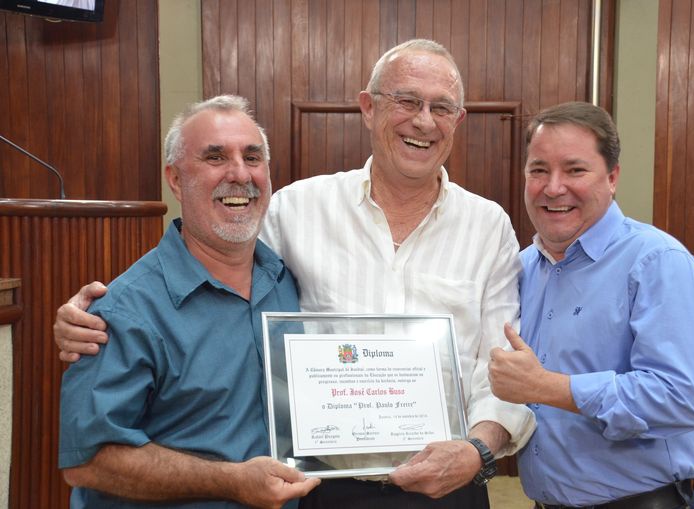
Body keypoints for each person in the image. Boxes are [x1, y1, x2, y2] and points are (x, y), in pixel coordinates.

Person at [54, 39, 535, 508]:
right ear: (368, 107)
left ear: (458, 120)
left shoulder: (488, 226)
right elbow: (212, 256)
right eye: (407, 100)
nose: (424, 121)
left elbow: (502, 368)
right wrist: (95, 315)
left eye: (441, 107)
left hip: (449, 488)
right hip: (322, 489)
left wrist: (477, 451)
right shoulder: (296, 210)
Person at [58, 95, 320, 508]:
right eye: (215, 157)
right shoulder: (123, 311)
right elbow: (88, 461)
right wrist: (230, 481)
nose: (239, 173)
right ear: (176, 179)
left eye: (252, 157)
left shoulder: (287, 280)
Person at [488, 101, 694, 508]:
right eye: (539, 170)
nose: (553, 187)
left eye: (574, 170)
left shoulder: (658, 263)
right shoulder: (521, 268)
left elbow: (679, 398)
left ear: (612, 178)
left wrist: (550, 388)